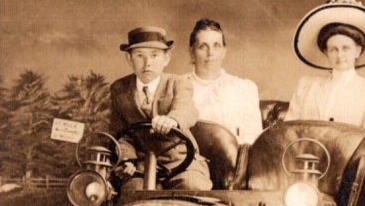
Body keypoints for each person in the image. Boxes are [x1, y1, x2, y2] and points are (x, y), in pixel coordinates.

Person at [285, 0, 365, 153]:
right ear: (326, 52)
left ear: (358, 51)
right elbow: (288, 131)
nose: (340, 55)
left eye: (346, 48)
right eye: (333, 49)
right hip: (303, 163)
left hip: (346, 169)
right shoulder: (306, 86)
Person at [109, 25, 212, 189]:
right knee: (132, 195)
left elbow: (186, 109)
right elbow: (119, 132)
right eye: (140, 55)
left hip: (181, 162)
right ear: (129, 59)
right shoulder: (120, 89)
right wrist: (127, 159)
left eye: (154, 55)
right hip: (142, 167)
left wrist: (172, 120)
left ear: (166, 58)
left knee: (193, 188)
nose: (147, 63)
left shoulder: (178, 83)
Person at [183, 18, 263, 145]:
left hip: (233, 160)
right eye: (203, 46)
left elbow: (253, 138)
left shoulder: (244, 88)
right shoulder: (177, 85)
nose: (210, 53)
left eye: (216, 46)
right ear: (192, 52)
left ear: (224, 51)